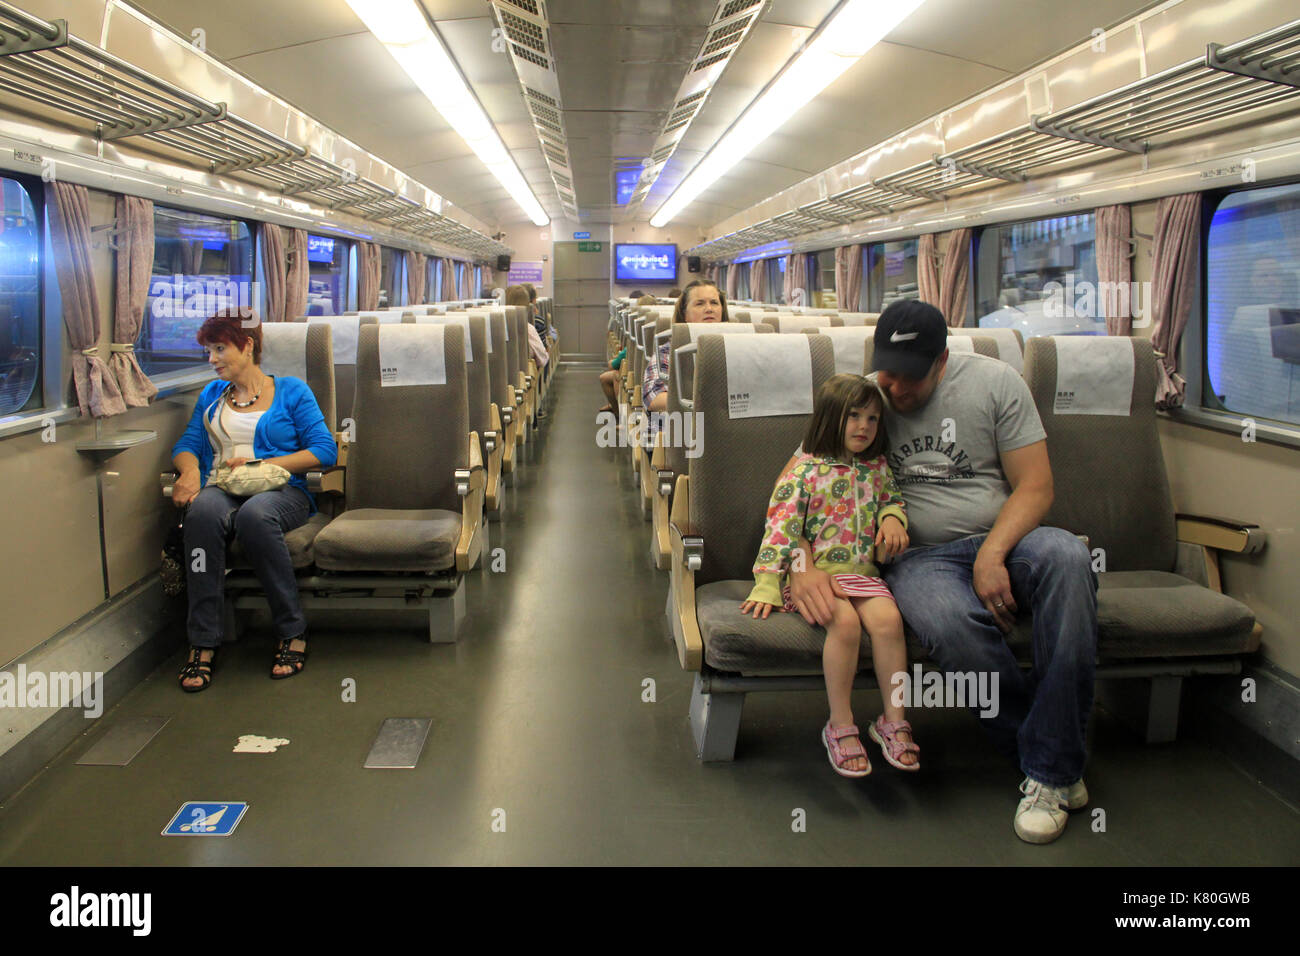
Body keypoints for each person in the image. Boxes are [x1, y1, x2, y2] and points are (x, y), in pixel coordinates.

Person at [783, 301, 1096, 843]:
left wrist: (993, 554)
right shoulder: (863, 399)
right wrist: (799, 566)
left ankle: (1049, 764)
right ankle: (1051, 763)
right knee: (949, 624)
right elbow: (795, 486)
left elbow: (1036, 486)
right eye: (888, 373)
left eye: (912, 377)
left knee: (1070, 558)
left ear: (943, 360)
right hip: (918, 557)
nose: (896, 390)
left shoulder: (997, 383)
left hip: (1007, 538)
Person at [740, 374, 918, 777]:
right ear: (829, 419)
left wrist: (892, 519)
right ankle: (840, 722)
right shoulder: (806, 469)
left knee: (889, 622)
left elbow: (893, 500)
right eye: (853, 416)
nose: (864, 427)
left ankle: (894, 720)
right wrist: (768, 583)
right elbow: (781, 527)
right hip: (815, 573)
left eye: (873, 419)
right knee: (847, 624)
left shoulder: (876, 468)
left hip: (863, 575)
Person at [170, 313, 338, 691]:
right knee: (201, 514)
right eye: (208, 351)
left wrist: (264, 463)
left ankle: (291, 630)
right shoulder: (212, 395)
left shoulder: (293, 391)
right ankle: (202, 641)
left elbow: (325, 450)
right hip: (222, 486)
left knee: (255, 516)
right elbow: (187, 445)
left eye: (219, 348)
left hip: (283, 490)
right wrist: (190, 472)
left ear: (247, 346)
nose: (212, 359)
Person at [642, 279, 725, 423]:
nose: (709, 309)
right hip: (681, 425)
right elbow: (654, 397)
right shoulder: (669, 350)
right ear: (684, 314)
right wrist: (709, 403)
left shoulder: (736, 348)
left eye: (714, 303)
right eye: (700, 303)